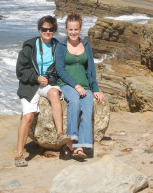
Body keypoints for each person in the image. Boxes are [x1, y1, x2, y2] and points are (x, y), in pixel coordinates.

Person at [15, 15, 71, 167]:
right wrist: (36, 78)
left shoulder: (58, 47)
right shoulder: (29, 46)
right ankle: (19, 155)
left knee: (54, 94)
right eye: (44, 29)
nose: (47, 32)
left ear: (54, 30)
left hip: (50, 83)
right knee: (28, 118)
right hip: (30, 84)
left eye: (51, 29)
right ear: (39, 30)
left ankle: (60, 134)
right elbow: (20, 71)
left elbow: (64, 68)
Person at [56, 12, 105, 159]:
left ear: (80, 29)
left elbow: (91, 69)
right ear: (66, 29)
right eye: (70, 29)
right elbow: (60, 70)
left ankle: (81, 147)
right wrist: (76, 86)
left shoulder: (86, 45)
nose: (73, 32)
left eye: (76, 29)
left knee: (88, 106)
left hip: (85, 85)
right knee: (75, 101)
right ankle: (72, 140)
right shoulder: (61, 46)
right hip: (67, 84)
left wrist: (95, 89)